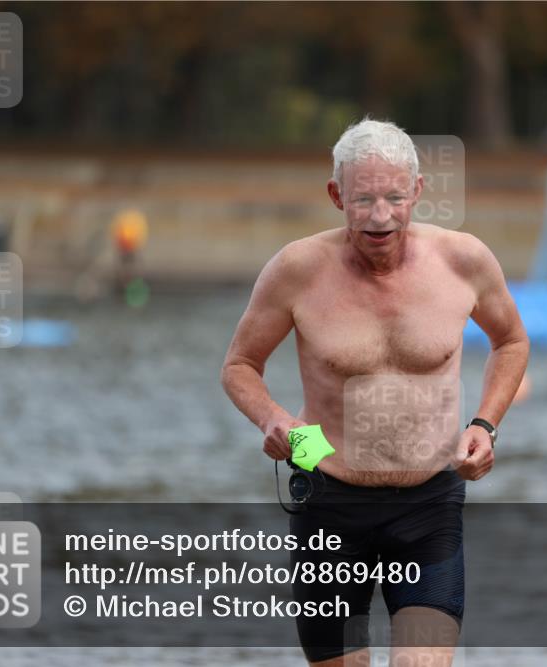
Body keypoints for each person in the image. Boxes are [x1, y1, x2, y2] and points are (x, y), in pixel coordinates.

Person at [222, 119, 529, 666]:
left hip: (429, 499)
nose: (380, 216)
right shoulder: (297, 269)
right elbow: (240, 365)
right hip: (328, 495)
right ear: (337, 195)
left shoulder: (463, 261)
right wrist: (272, 419)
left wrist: (484, 425)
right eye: (363, 199)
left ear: (416, 191)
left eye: (393, 197)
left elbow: (511, 340)